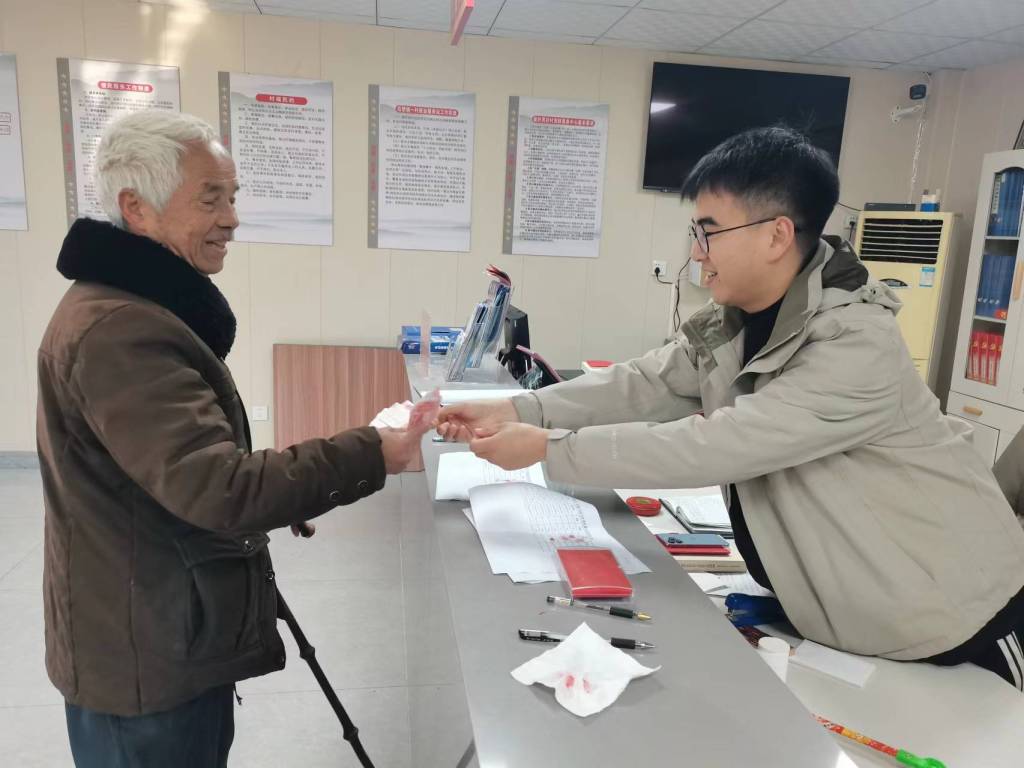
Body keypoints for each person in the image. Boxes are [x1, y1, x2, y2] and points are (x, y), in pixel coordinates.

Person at [438, 126, 1024, 689]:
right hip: (846, 613)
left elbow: (720, 443)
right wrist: (521, 409)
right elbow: (646, 383)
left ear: (776, 235)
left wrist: (548, 449)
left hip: (952, 622)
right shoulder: (734, 322)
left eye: (709, 231)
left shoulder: (855, 342)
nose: (697, 252)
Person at [36, 109, 429, 767]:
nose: (232, 218)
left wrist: (284, 494)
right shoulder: (121, 331)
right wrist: (372, 450)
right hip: (145, 659)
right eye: (210, 199)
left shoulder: (130, 307)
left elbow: (180, 470)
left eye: (233, 196)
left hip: (155, 626)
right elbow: (217, 488)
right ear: (136, 208)